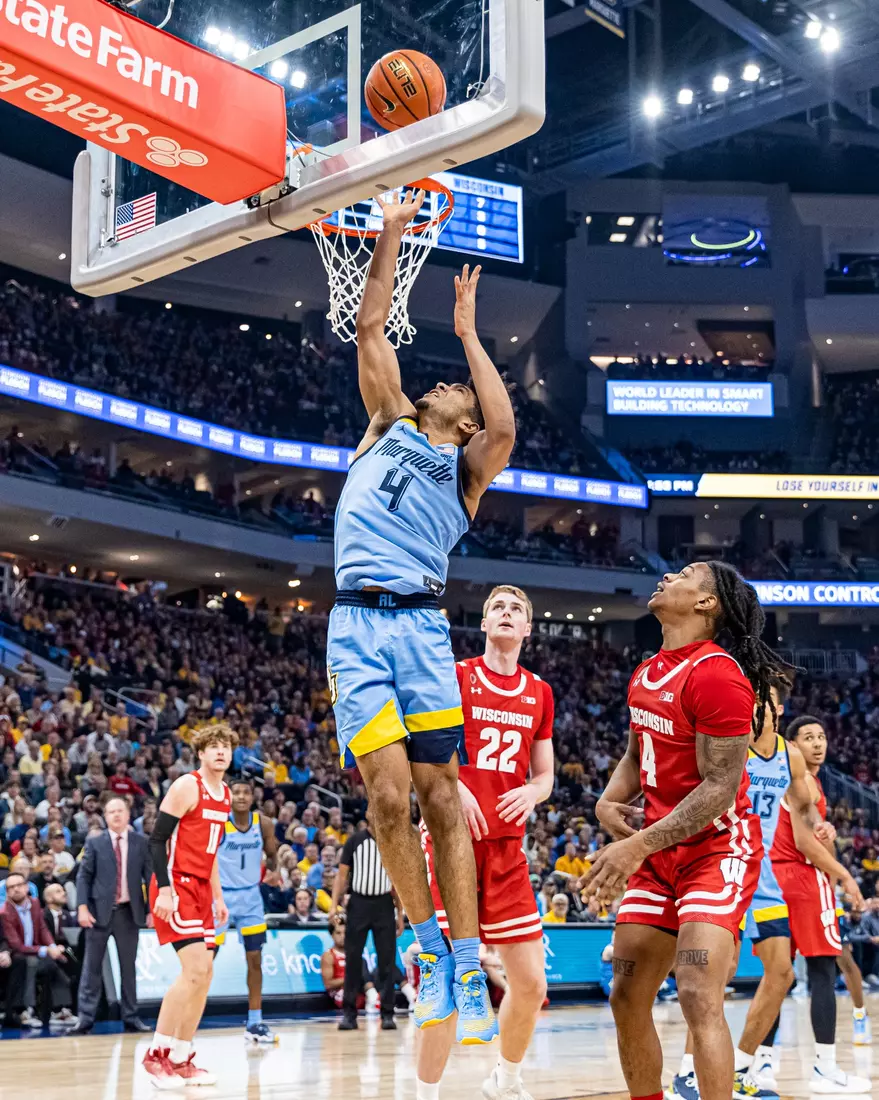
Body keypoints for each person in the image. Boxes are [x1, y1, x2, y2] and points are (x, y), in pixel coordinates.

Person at [325, 189, 515, 1045]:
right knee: (387, 799)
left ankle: (469, 965)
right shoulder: (387, 420)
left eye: (454, 385)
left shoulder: (468, 471)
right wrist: (393, 235)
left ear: (462, 419)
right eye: (442, 374)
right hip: (356, 626)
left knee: (443, 794)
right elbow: (371, 331)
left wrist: (472, 337)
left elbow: (504, 426)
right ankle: (427, 948)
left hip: (420, 630)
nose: (437, 382)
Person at [583, 561, 794, 1100]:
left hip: (716, 848)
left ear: (707, 603)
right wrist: (610, 801)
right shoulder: (647, 670)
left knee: (699, 992)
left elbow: (720, 786)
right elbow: (636, 754)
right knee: (626, 994)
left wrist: (637, 844)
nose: (665, 578)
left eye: (683, 574)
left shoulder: (719, 673)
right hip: (658, 852)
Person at [666, 681, 864, 1100]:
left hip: (767, 878)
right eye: (750, 703)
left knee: (782, 973)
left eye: (764, 704)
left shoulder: (790, 756)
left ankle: (740, 1066)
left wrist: (818, 824)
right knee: (716, 975)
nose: (756, 710)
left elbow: (804, 803)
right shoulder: (733, 750)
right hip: (730, 867)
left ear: (778, 709)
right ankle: (688, 1072)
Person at [417, 584, 554, 1100]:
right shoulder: (457, 676)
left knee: (532, 984)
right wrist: (453, 789)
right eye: (497, 606)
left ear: (526, 629)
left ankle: (506, 1080)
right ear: (484, 623)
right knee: (446, 986)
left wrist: (533, 793)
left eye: (516, 608)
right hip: (453, 843)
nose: (505, 612)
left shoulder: (539, 691)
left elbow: (545, 774)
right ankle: (425, 1095)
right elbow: (425, 750)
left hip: (506, 850)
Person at [765, 716, 871, 1093]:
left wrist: (826, 834)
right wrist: (843, 874)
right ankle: (826, 1068)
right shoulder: (802, 780)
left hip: (774, 880)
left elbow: (810, 833)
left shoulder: (787, 776)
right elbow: (805, 843)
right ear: (792, 744)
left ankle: (760, 1065)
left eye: (822, 736)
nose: (818, 743)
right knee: (824, 971)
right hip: (801, 876)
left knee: (777, 977)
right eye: (807, 737)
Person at [142, 725, 237, 1088]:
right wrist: (164, 891)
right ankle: (156, 1056)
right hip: (175, 883)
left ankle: (181, 1059)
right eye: (213, 746)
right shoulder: (187, 785)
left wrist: (218, 897)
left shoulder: (225, 794)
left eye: (226, 746)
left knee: (205, 976)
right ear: (200, 753)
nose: (220, 752)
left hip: (201, 890)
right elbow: (156, 841)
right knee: (195, 970)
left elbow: (211, 853)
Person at [73, 796, 152, 1035]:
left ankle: (131, 1016)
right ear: (105, 817)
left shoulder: (142, 842)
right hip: (98, 913)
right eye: (111, 812)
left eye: (120, 811)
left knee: (128, 968)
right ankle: (85, 1018)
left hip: (129, 913)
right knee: (91, 968)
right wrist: (82, 908)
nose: (116, 815)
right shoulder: (95, 843)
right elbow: (83, 877)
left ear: (128, 814)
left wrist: (151, 910)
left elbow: (150, 878)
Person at [215, 778, 280, 1045]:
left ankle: (254, 1022)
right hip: (221, 899)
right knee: (206, 961)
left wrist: (274, 871)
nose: (240, 796)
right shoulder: (219, 823)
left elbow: (273, 854)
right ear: (228, 796)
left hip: (251, 898)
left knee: (255, 960)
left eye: (245, 792)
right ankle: (189, 1019)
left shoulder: (263, 823)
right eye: (236, 792)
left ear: (252, 797)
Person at [328, 810, 402, 1032]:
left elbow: (398, 880)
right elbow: (341, 876)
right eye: (372, 808)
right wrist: (333, 905)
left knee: (386, 962)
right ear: (368, 815)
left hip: (384, 905)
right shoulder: (354, 841)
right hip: (359, 904)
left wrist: (400, 913)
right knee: (353, 960)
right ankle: (349, 1015)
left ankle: (388, 1013)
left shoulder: (392, 841)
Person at [0, 870, 77, 1029]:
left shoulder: (35, 904)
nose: (16, 889)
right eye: (11, 887)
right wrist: (45, 950)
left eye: (19, 885)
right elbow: (16, 945)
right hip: (16, 954)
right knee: (31, 962)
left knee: (57, 960)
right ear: (6, 892)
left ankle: (59, 1009)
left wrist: (52, 947)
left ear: (27, 886)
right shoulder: (5, 912)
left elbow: (42, 929)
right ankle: (27, 1010)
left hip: (35, 950)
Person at [321, 917, 381, 1016]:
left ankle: (410, 996)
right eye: (338, 933)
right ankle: (373, 998)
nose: (343, 936)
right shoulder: (329, 956)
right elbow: (328, 984)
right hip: (344, 995)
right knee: (360, 963)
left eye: (345, 933)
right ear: (332, 935)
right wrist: (350, 977)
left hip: (359, 989)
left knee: (383, 968)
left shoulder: (353, 953)